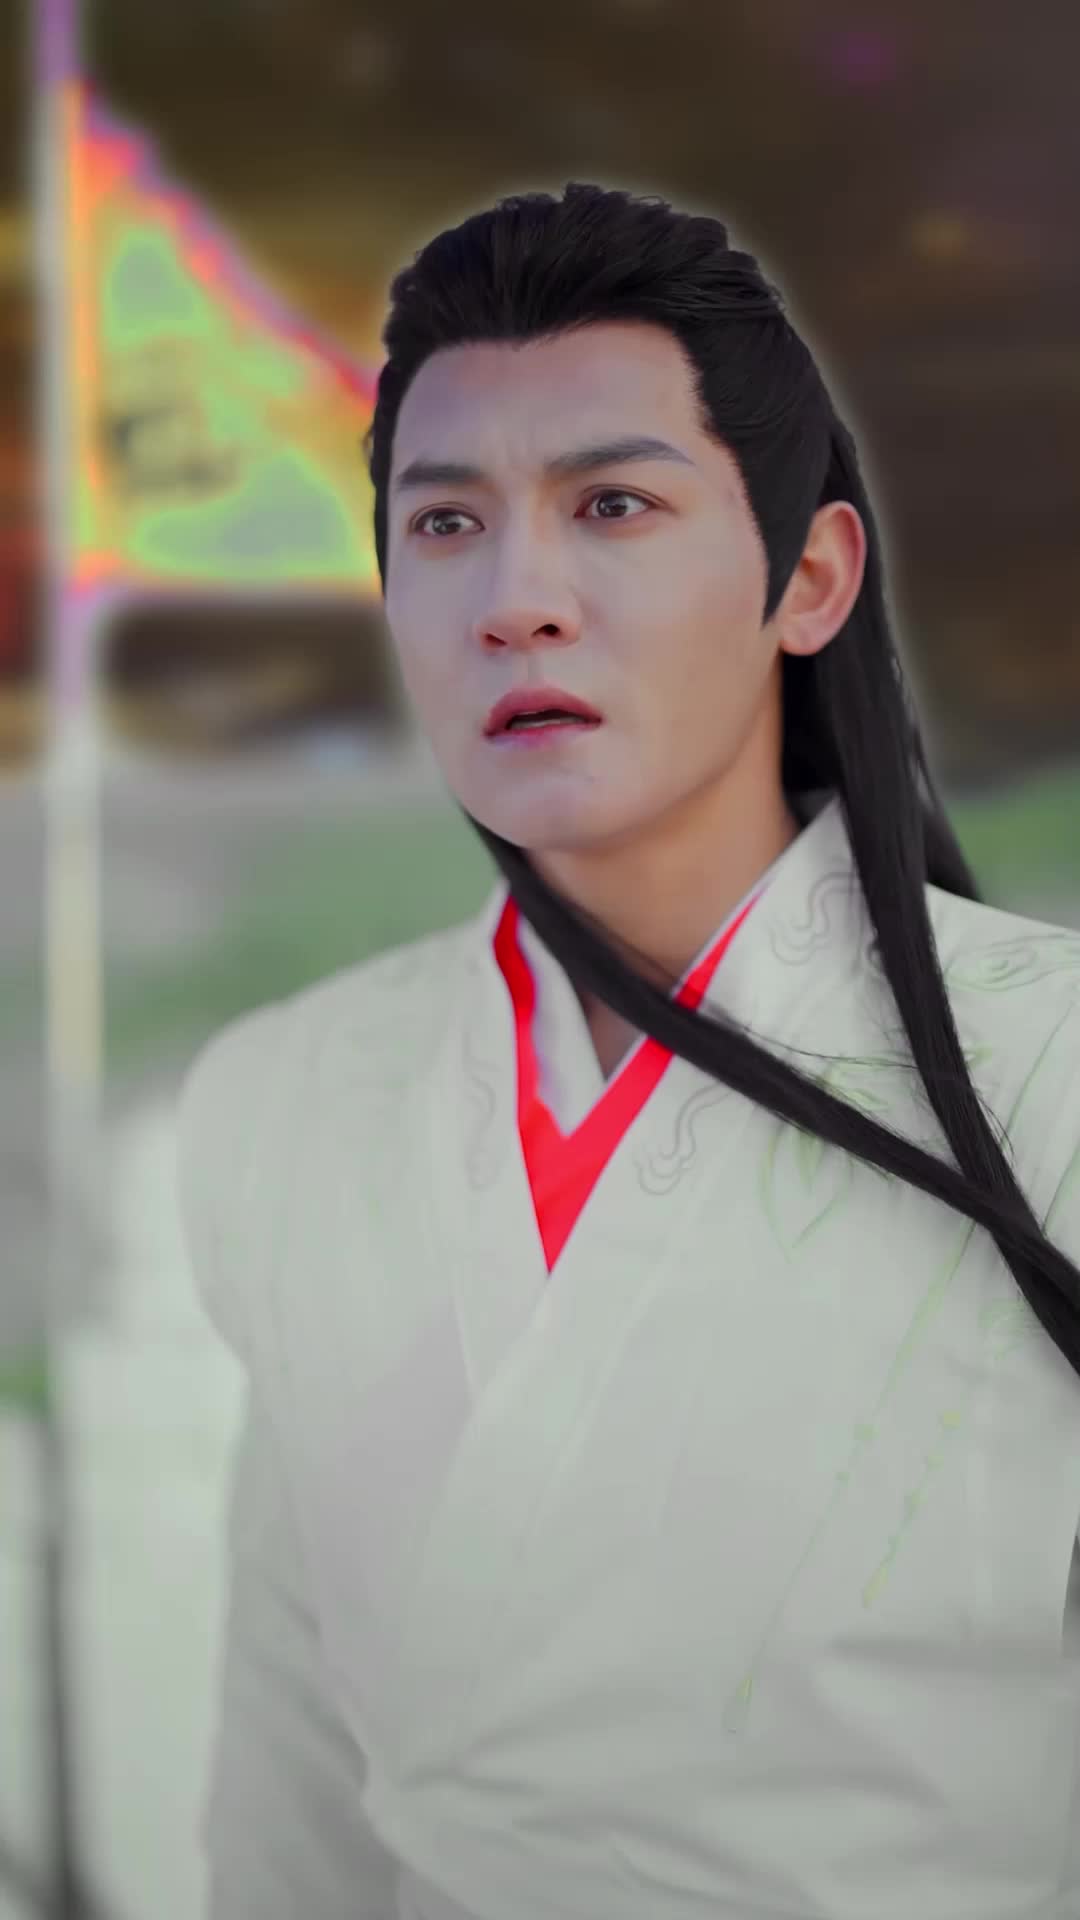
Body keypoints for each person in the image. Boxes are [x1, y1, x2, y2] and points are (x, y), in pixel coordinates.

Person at [175, 180, 1080, 1919]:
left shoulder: (1055, 1072)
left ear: (808, 576)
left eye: (612, 504)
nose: (516, 599)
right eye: (447, 524)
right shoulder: (285, 1104)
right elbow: (291, 1785)